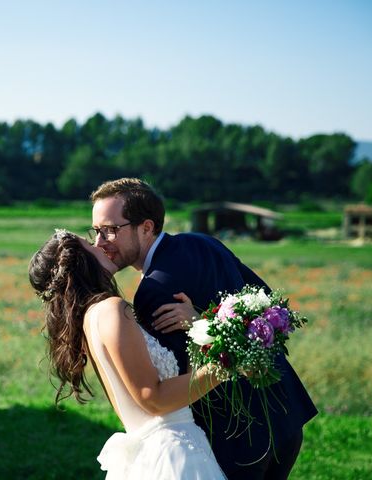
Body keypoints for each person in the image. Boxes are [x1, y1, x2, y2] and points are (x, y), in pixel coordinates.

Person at [89, 178, 318, 480]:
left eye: (110, 230)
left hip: (237, 436)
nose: (99, 242)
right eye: (96, 231)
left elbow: (173, 379)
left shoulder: (153, 291)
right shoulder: (202, 242)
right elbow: (273, 313)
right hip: (287, 415)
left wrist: (203, 325)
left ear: (146, 227)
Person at [29, 230, 226, 479]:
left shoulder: (91, 317)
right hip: (172, 455)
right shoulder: (111, 310)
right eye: (90, 244)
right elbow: (152, 397)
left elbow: (172, 387)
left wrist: (196, 327)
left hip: (167, 448)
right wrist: (226, 366)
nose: (100, 245)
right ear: (79, 262)